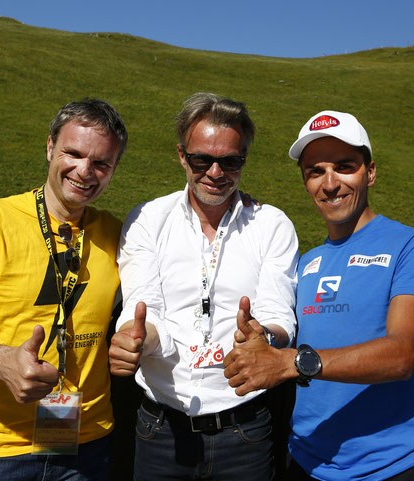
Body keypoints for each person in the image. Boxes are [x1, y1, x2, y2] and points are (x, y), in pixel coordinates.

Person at [224, 110, 414, 481]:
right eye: (315, 171)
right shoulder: (307, 262)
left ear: (371, 172)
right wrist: (263, 339)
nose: (330, 184)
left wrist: (288, 363)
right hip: (307, 463)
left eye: (344, 166)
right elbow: (295, 338)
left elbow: (402, 355)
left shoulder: (413, 243)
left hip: (393, 467)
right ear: (306, 182)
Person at [0, 98, 128, 481]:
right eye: (74, 153)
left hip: (87, 447)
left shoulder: (119, 234)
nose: (85, 171)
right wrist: (3, 363)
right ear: (50, 147)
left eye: (101, 163)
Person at [108, 92, 299, 481]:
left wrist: (267, 338)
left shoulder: (272, 224)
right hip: (161, 428)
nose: (215, 172)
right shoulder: (147, 219)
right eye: (202, 159)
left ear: (244, 159)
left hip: (244, 430)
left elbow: (280, 315)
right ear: (182, 156)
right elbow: (144, 308)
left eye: (230, 161)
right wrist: (138, 338)